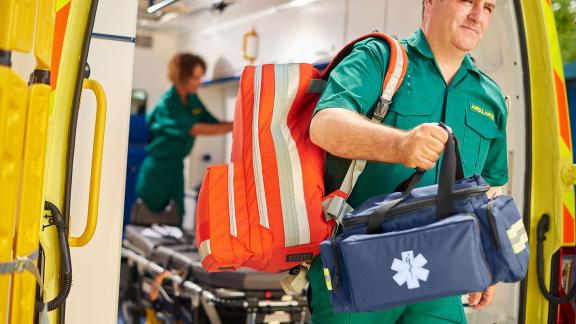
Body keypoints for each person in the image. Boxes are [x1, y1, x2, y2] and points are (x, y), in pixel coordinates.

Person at [308, 0, 506, 323]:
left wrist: (489, 255)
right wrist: (399, 144)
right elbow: (325, 124)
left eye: (488, 7)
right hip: (360, 265)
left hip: (441, 273)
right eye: (467, 1)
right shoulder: (379, 58)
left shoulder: (491, 97)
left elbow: (490, 184)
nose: (478, 15)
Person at [135, 53, 233, 223]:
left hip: (176, 169)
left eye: (201, 77)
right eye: (195, 78)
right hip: (157, 171)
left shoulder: (193, 100)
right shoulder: (168, 103)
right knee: (148, 222)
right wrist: (234, 126)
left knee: (175, 219)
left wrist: (241, 123)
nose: (199, 82)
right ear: (182, 76)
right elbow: (195, 129)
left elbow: (214, 123)